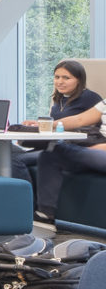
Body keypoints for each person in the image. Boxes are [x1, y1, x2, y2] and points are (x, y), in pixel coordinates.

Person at [11, 60, 102, 193]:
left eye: (66, 78)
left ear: (79, 80)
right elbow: (56, 127)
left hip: (74, 148)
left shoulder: (90, 97)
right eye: (57, 77)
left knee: (13, 160)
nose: (60, 81)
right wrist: (35, 126)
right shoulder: (59, 100)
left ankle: (26, 205)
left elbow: (80, 121)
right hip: (54, 145)